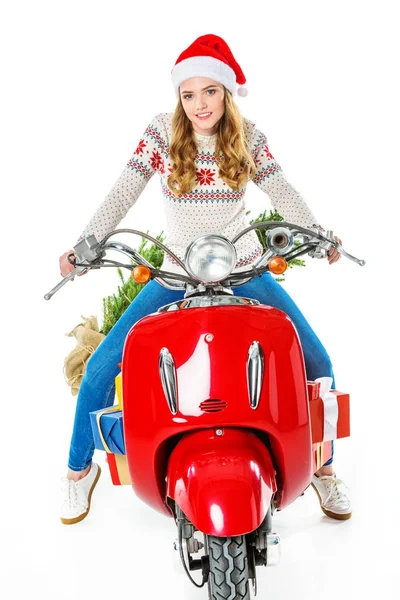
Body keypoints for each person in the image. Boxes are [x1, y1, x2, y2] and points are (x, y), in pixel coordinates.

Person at [59, 34, 351, 525]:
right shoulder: (161, 135)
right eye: (188, 94)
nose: (199, 104)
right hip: (176, 273)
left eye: (209, 92)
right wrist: (84, 244)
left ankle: (323, 468)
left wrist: (319, 234)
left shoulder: (249, 137)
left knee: (316, 360)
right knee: (102, 367)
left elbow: (282, 189)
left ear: (226, 92)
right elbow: (123, 190)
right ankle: (77, 471)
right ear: (178, 97)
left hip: (241, 268)